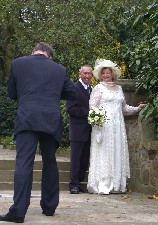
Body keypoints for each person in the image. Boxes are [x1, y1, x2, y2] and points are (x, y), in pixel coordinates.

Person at [0, 42, 76, 223]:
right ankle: (49, 207)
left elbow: (11, 93)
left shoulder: (18, 63)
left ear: (33, 52)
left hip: (27, 117)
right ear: (49, 55)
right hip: (50, 119)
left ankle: (18, 212)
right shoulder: (59, 69)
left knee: (24, 162)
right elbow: (72, 93)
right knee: (50, 161)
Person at [87, 59, 145, 195]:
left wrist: (137, 109)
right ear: (101, 75)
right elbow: (92, 107)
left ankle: (116, 185)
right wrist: (97, 120)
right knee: (105, 152)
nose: (106, 75)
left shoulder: (119, 88)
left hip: (118, 127)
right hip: (104, 126)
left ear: (113, 74)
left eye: (108, 73)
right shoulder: (98, 88)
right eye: (104, 73)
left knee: (117, 151)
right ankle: (103, 184)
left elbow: (124, 108)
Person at [66, 65, 93, 194]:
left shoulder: (92, 89)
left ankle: (80, 182)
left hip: (89, 129)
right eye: (85, 73)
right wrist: (89, 113)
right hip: (77, 129)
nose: (87, 76)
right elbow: (70, 108)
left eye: (89, 74)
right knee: (76, 157)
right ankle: (73, 184)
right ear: (80, 74)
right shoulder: (74, 88)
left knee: (85, 158)